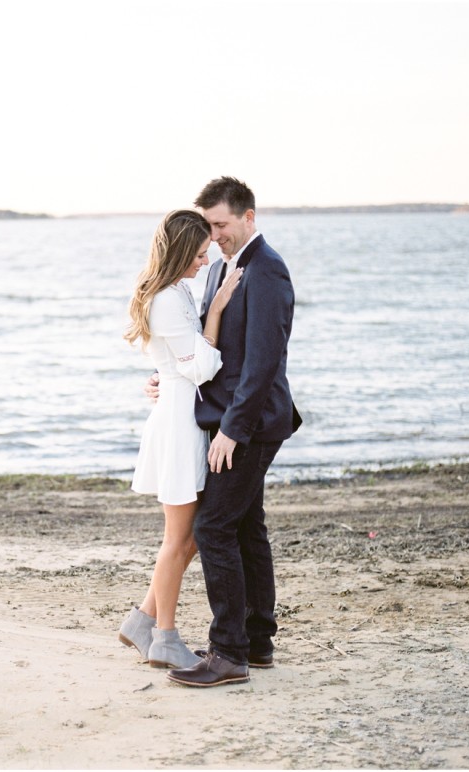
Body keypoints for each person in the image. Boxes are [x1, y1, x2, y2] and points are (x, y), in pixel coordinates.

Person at [165, 176, 302, 688]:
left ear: (248, 217)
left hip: (251, 423)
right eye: (210, 226)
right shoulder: (225, 267)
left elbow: (264, 362)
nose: (214, 234)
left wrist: (231, 430)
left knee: (214, 528)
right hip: (237, 418)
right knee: (246, 527)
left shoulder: (266, 270)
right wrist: (170, 376)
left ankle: (228, 654)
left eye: (221, 224)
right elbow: (216, 351)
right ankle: (256, 642)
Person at [118, 209, 243, 669]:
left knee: (188, 539)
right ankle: (164, 637)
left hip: (180, 412)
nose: (204, 261)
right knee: (179, 539)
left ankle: (143, 621)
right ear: (178, 252)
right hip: (178, 423)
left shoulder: (176, 293)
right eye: (198, 253)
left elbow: (178, 361)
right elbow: (200, 366)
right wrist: (218, 312)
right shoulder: (170, 299)